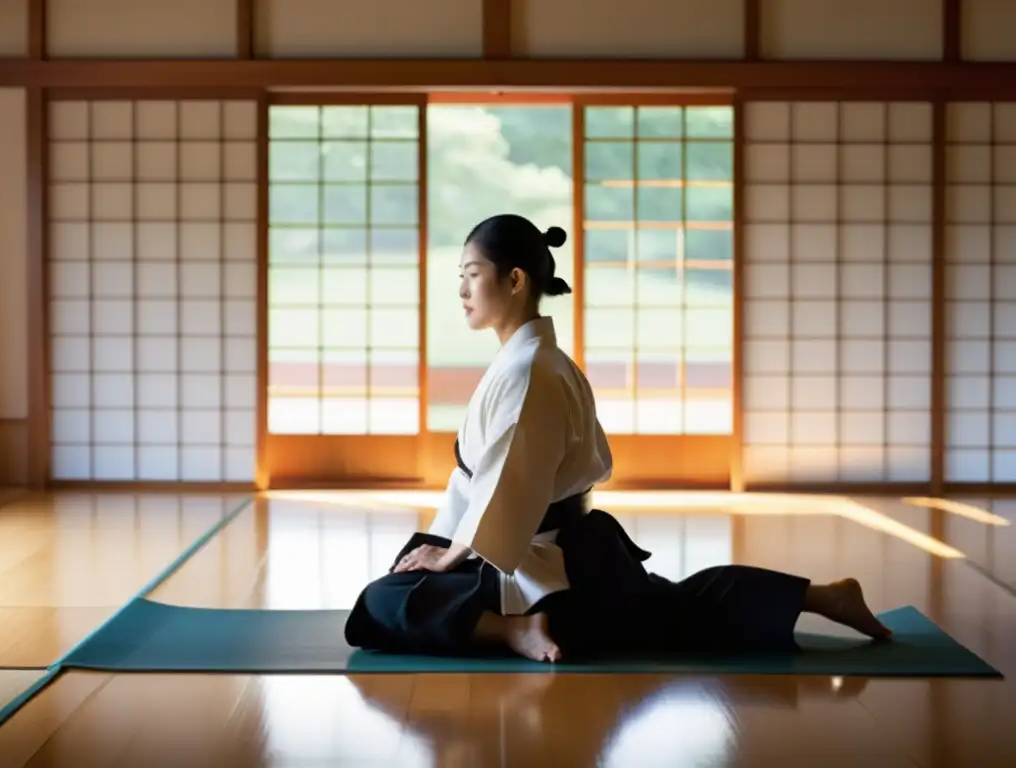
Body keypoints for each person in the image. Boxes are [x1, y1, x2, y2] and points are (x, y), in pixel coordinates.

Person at [343, 213, 893, 663]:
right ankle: (823, 596)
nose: (462, 290)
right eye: (459, 276)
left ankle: (515, 630)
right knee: (674, 606)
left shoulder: (529, 371)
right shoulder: (541, 361)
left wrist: (450, 556)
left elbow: (509, 491)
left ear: (515, 280)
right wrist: (446, 548)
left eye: (472, 273)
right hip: (582, 552)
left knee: (381, 601)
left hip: (542, 561)